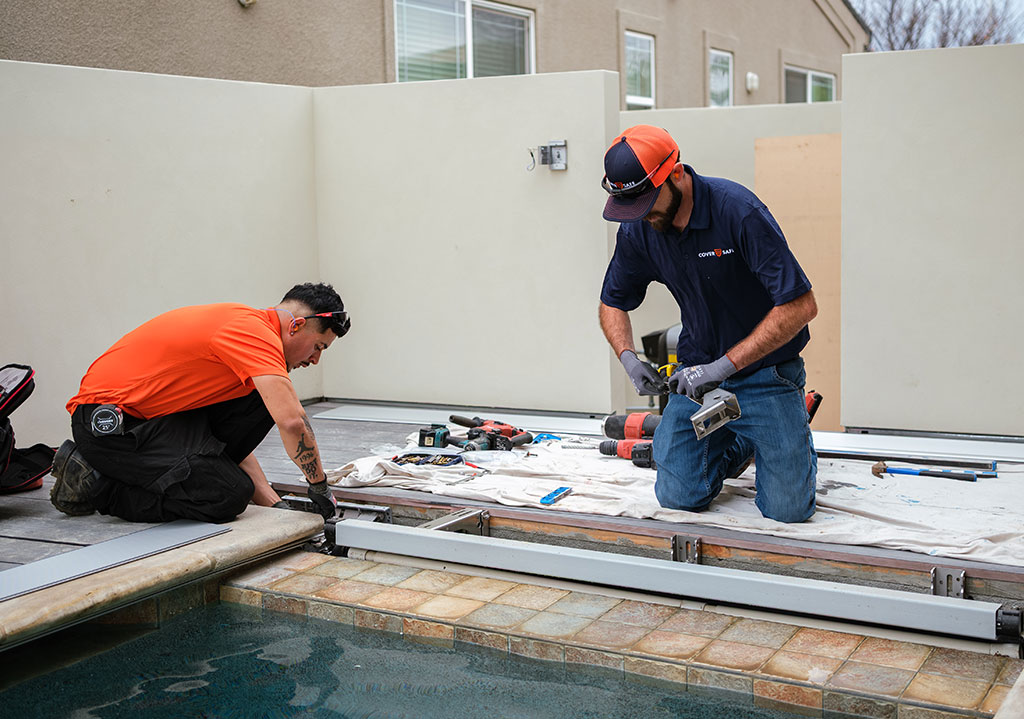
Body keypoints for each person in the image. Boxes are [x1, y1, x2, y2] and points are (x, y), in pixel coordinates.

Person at [598, 125, 818, 523]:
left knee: (788, 511)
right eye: (631, 207)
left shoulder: (738, 212)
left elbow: (800, 306)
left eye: (646, 202)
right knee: (677, 497)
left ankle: (770, 436)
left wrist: (723, 367)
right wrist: (628, 358)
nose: (642, 215)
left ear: (676, 174)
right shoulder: (639, 228)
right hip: (697, 377)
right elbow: (611, 303)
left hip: (767, 375)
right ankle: (737, 444)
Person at [50, 282, 351, 523]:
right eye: (318, 346)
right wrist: (319, 486)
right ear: (296, 326)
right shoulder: (253, 334)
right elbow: (293, 422)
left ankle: (166, 477)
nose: (315, 359)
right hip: (109, 428)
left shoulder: (248, 326)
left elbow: (222, 440)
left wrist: (274, 505)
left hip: (152, 420)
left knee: (264, 400)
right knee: (227, 496)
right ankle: (96, 484)